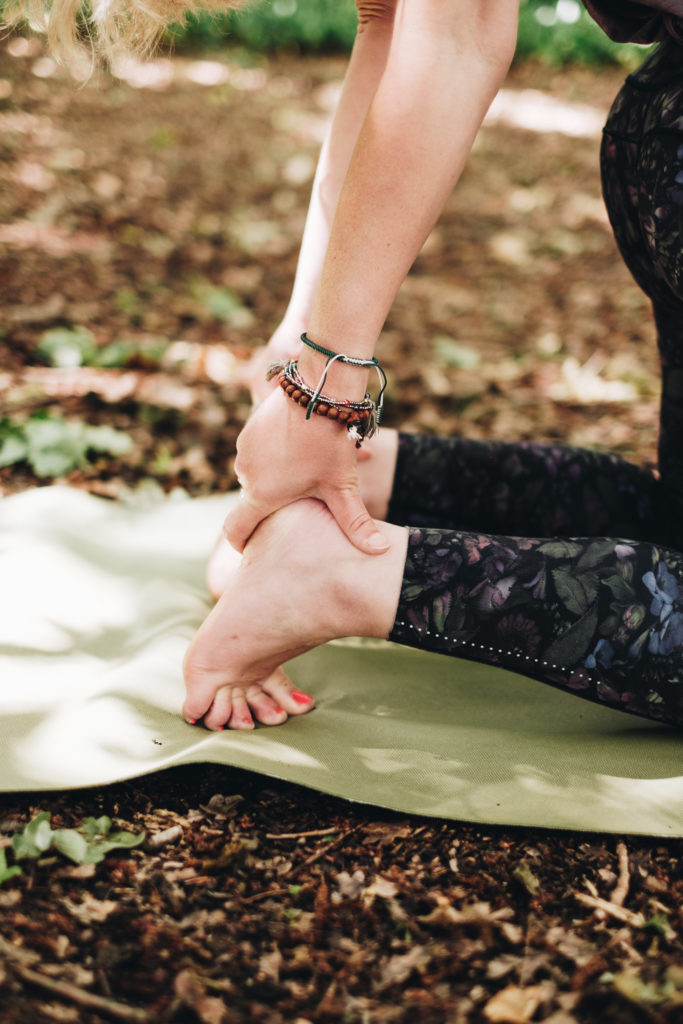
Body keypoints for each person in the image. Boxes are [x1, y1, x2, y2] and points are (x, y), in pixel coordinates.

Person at [10, 0, 683, 730]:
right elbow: (427, 25)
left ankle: (369, 494)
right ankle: (335, 573)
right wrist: (307, 372)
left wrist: (312, 374)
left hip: (655, 130)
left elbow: (409, 26)